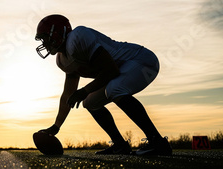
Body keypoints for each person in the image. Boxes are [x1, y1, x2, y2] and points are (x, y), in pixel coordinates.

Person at [35, 14, 172, 155]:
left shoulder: (78, 37)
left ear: (57, 33)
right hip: (122, 69)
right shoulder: (62, 60)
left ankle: (157, 141)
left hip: (142, 61)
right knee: (90, 102)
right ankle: (120, 144)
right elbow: (68, 95)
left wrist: (85, 90)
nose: (44, 43)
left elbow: (111, 70)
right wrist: (56, 126)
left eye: (45, 38)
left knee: (115, 89)